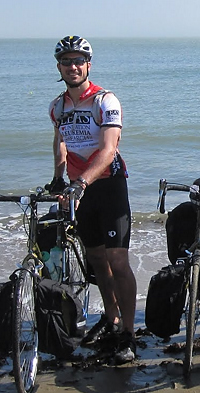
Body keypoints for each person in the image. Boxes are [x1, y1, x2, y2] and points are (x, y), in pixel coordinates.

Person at [47, 35, 138, 363]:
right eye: (66, 62)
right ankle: (111, 318)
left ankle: (129, 332)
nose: (73, 66)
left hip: (109, 186)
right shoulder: (58, 106)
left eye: (78, 61)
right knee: (96, 260)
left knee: (117, 261)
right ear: (59, 67)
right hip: (78, 188)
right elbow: (60, 141)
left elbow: (108, 150)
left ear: (88, 65)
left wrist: (82, 181)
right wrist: (59, 178)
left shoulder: (104, 100)